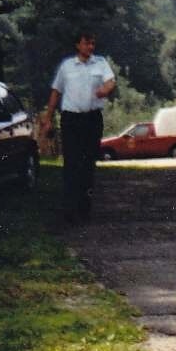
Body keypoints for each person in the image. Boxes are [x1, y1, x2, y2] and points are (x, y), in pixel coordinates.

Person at [40, 28, 116, 224]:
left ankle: (84, 208)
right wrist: (48, 118)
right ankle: (69, 209)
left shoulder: (100, 63)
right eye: (86, 43)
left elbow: (110, 82)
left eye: (92, 43)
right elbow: (56, 92)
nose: (90, 47)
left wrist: (104, 90)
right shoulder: (67, 67)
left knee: (88, 163)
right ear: (78, 45)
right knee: (72, 163)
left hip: (92, 119)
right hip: (71, 120)